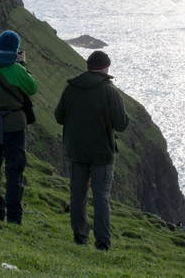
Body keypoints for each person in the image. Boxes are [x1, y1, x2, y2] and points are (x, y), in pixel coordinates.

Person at [54, 50, 128, 250]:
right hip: (102, 153)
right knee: (101, 197)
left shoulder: (71, 88)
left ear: (88, 67)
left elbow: (59, 117)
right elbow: (121, 124)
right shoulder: (110, 91)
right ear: (105, 68)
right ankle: (102, 243)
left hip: (76, 151)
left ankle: (80, 237)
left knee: (77, 196)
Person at [0, 30, 37, 225]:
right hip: (14, 125)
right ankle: (14, 217)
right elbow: (31, 88)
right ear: (15, 49)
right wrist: (21, 65)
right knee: (14, 170)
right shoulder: (15, 69)